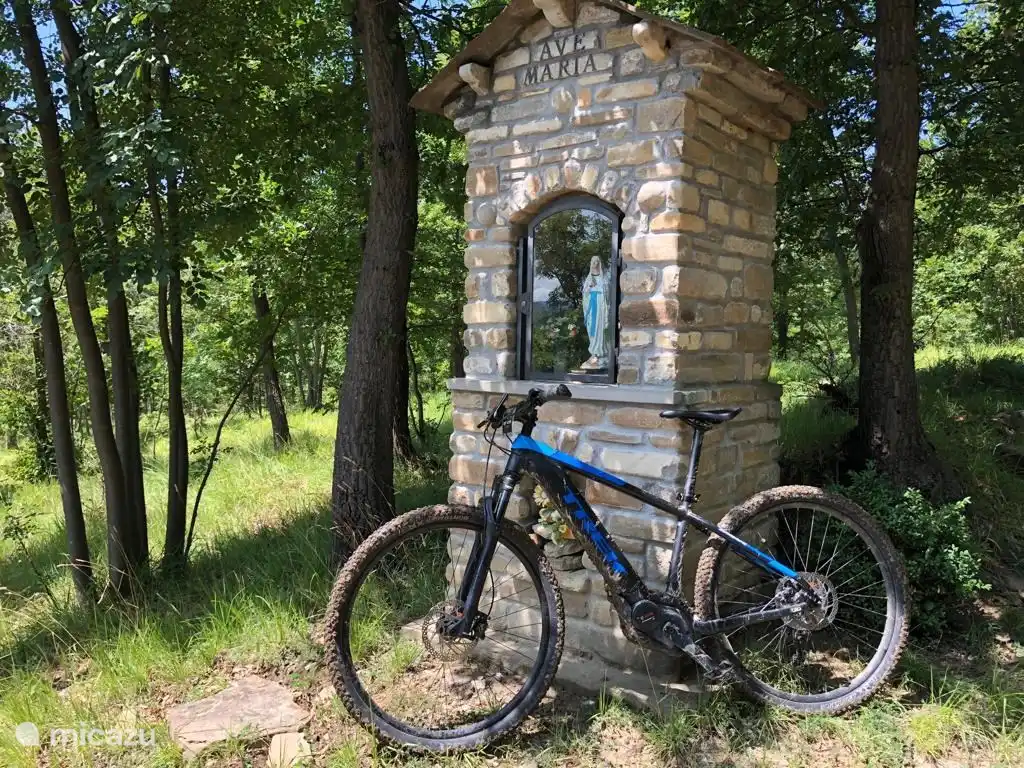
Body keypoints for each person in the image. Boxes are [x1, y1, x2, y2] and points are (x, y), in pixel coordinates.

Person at [580, 255, 609, 370]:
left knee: (600, 330)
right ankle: (593, 353)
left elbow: (606, 292)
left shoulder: (604, 279)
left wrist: (598, 288)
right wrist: (589, 288)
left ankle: (600, 354)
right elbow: (585, 293)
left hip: (600, 309)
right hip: (592, 308)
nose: (595, 263)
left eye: (597, 261)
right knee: (592, 329)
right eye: (593, 261)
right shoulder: (588, 279)